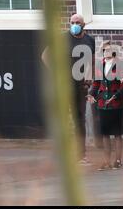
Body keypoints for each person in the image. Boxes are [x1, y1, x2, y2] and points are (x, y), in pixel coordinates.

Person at [41, 14, 95, 164]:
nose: (74, 25)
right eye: (72, 22)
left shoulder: (90, 40)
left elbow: (91, 60)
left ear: (84, 24)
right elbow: (45, 55)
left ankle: (81, 155)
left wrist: (89, 77)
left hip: (81, 85)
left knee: (80, 119)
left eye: (77, 22)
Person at [87, 41, 123, 170]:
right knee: (105, 133)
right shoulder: (100, 65)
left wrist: (116, 96)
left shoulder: (121, 64)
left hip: (116, 104)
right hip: (103, 104)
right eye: (104, 50)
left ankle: (118, 160)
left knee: (117, 133)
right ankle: (106, 161)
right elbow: (97, 83)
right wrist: (92, 94)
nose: (106, 52)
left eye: (108, 50)